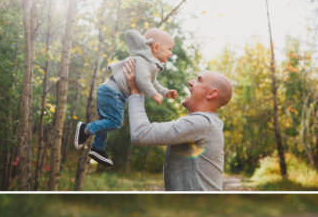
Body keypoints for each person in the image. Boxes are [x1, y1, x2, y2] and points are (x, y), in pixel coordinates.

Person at [74, 26, 176, 171]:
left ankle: (97, 148)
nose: (171, 53)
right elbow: (142, 80)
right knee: (115, 122)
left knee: (106, 120)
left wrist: (165, 92)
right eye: (169, 49)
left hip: (111, 91)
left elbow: (153, 82)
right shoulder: (143, 60)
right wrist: (154, 94)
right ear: (156, 47)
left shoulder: (150, 64)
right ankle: (86, 129)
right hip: (112, 92)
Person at [124, 60, 232, 190]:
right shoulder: (204, 124)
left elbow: (140, 134)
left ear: (211, 94)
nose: (190, 82)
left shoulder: (202, 123)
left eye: (199, 80)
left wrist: (136, 92)